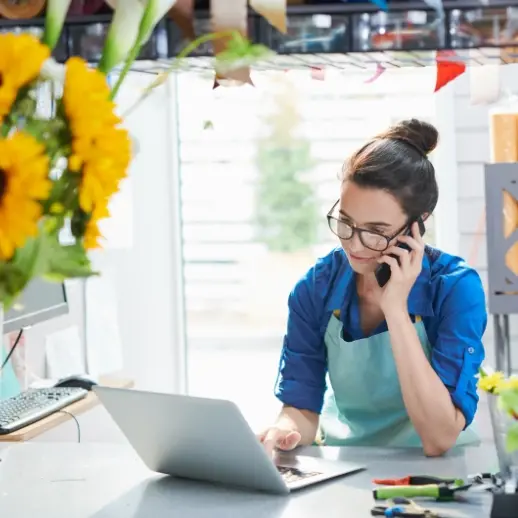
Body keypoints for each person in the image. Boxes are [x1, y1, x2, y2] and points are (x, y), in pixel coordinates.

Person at [259, 119, 487, 458]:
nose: (354, 244)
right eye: (346, 222)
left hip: (438, 473)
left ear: (417, 225)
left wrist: (395, 308)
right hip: (348, 467)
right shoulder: (315, 288)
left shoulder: (455, 289)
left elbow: (439, 437)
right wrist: (286, 430)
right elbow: (302, 407)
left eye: (376, 231)